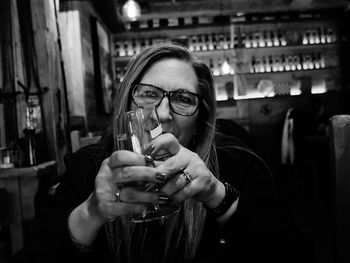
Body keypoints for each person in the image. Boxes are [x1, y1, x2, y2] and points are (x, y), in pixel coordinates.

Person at [11, 42, 316, 263]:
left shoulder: (234, 159)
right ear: (127, 104)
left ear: (200, 117)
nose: (164, 113)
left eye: (183, 99)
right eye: (148, 94)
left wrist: (219, 196)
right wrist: (90, 214)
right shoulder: (88, 167)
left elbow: (296, 253)